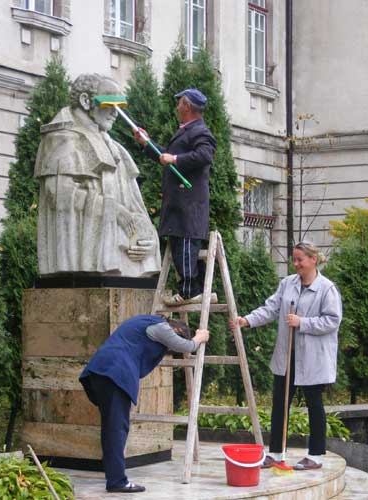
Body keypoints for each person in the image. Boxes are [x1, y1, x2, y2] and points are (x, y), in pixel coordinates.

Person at [229, 242, 342, 471]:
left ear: (313, 260)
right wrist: (247, 320)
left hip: (313, 358)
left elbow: (332, 320)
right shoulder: (287, 284)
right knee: (280, 404)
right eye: (294, 259)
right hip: (287, 355)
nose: (296, 264)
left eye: (300, 259)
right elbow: (271, 309)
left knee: (314, 405)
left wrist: (303, 323)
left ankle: (316, 456)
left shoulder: (326, 289)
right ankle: (275, 454)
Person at [35, 73, 160, 276]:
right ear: (86, 101)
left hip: (121, 253)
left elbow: (136, 207)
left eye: (118, 108)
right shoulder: (61, 138)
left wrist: (148, 239)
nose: (115, 114)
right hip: (81, 257)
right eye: (109, 105)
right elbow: (59, 195)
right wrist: (113, 210)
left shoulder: (116, 149)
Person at [79, 314, 209, 493]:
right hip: (115, 373)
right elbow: (185, 346)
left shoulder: (143, 322)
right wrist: (200, 337)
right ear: (177, 329)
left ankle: (114, 476)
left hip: (99, 372)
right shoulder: (161, 327)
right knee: (116, 429)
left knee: (111, 428)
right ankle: (117, 481)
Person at [134, 88, 217, 305]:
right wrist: (147, 144)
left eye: (179, 103)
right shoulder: (186, 131)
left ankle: (190, 291)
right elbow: (165, 157)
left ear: (187, 106)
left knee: (188, 244)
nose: (177, 106)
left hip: (190, 203)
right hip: (179, 203)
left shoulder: (200, 131)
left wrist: (176, 159)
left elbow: (204, 155)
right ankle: (188, 288)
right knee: (179, 244)